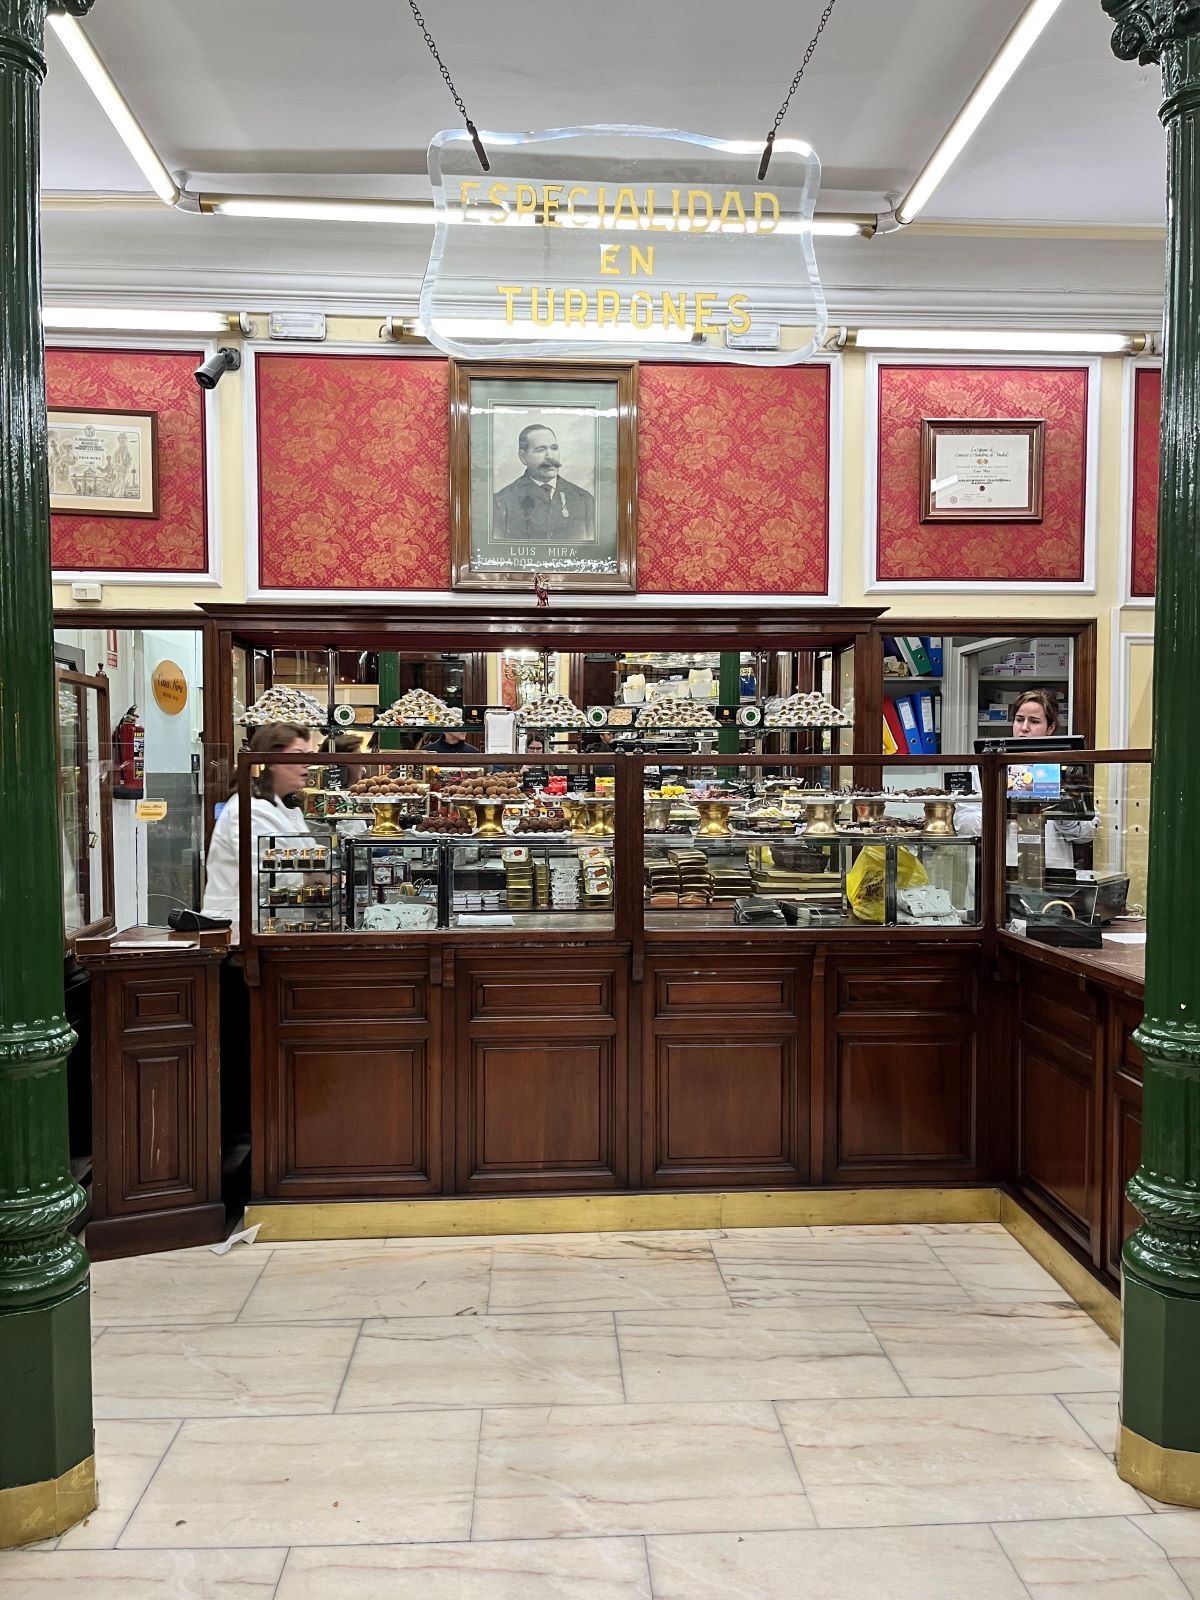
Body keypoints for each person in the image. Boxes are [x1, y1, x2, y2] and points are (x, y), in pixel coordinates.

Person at [956, 688, 1096, 868]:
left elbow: (1086, 834)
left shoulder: (1067, 767)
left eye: (1034, 721)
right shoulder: (986, 767)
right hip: (999, 872)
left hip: (1053, 873)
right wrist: (1003, 812)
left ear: (1050, 727)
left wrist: (1064, 811)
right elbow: (963, 825)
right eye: (1019, 720)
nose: (1024, 728)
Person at [201, 722, 315, 938]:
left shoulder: (285, 807)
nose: (307, 764)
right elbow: (269, 876)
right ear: (272, 761)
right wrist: (318, 876)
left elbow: (308, 854)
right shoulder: (249, 809)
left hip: (273, 925)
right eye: (297, 754)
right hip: (239, 929)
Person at [491, 423, 595, 544]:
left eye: (554, 448)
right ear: (523, 457)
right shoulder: (502, 502)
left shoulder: (584, 500)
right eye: (540, 450)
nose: (550, 456)